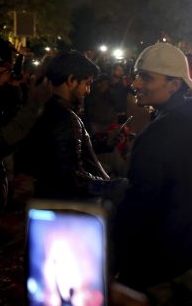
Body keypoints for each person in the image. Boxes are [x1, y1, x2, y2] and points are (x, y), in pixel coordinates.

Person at [113, 43, 192, 306]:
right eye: (138, 75)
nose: (136, 84)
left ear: (174, 84)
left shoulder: (157, 134)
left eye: (147, 78)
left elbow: (139, 207)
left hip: (163, 266)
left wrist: (121, 263)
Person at [20, 51, 123, 200]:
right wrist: (111, 186)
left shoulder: (50, 110)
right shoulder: (64, 118)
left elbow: (68, 152)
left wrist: (103, 143)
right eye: (87, 84)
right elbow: (70, 176)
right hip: (66, 205)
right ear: (71, 80)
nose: (88, 91)